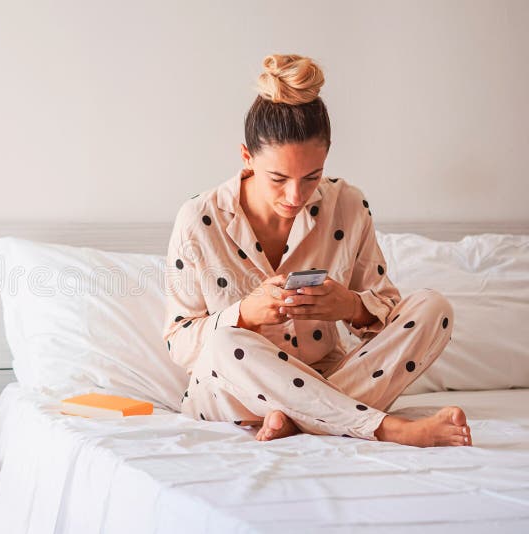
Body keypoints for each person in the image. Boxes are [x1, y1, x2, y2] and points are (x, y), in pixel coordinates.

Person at [163, 54, 471, 447]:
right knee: (227, 342)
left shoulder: (347, 205)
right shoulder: (198, 218)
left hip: (329, 374)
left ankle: (299, 418)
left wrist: (350, 307)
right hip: (232, 389)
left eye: (312, 176)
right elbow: (178, 340)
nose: (295, 196)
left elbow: (387, 312)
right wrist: (244, 314)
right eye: (278, 178)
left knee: (434, 307)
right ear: (247, 157)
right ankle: (387, 428)